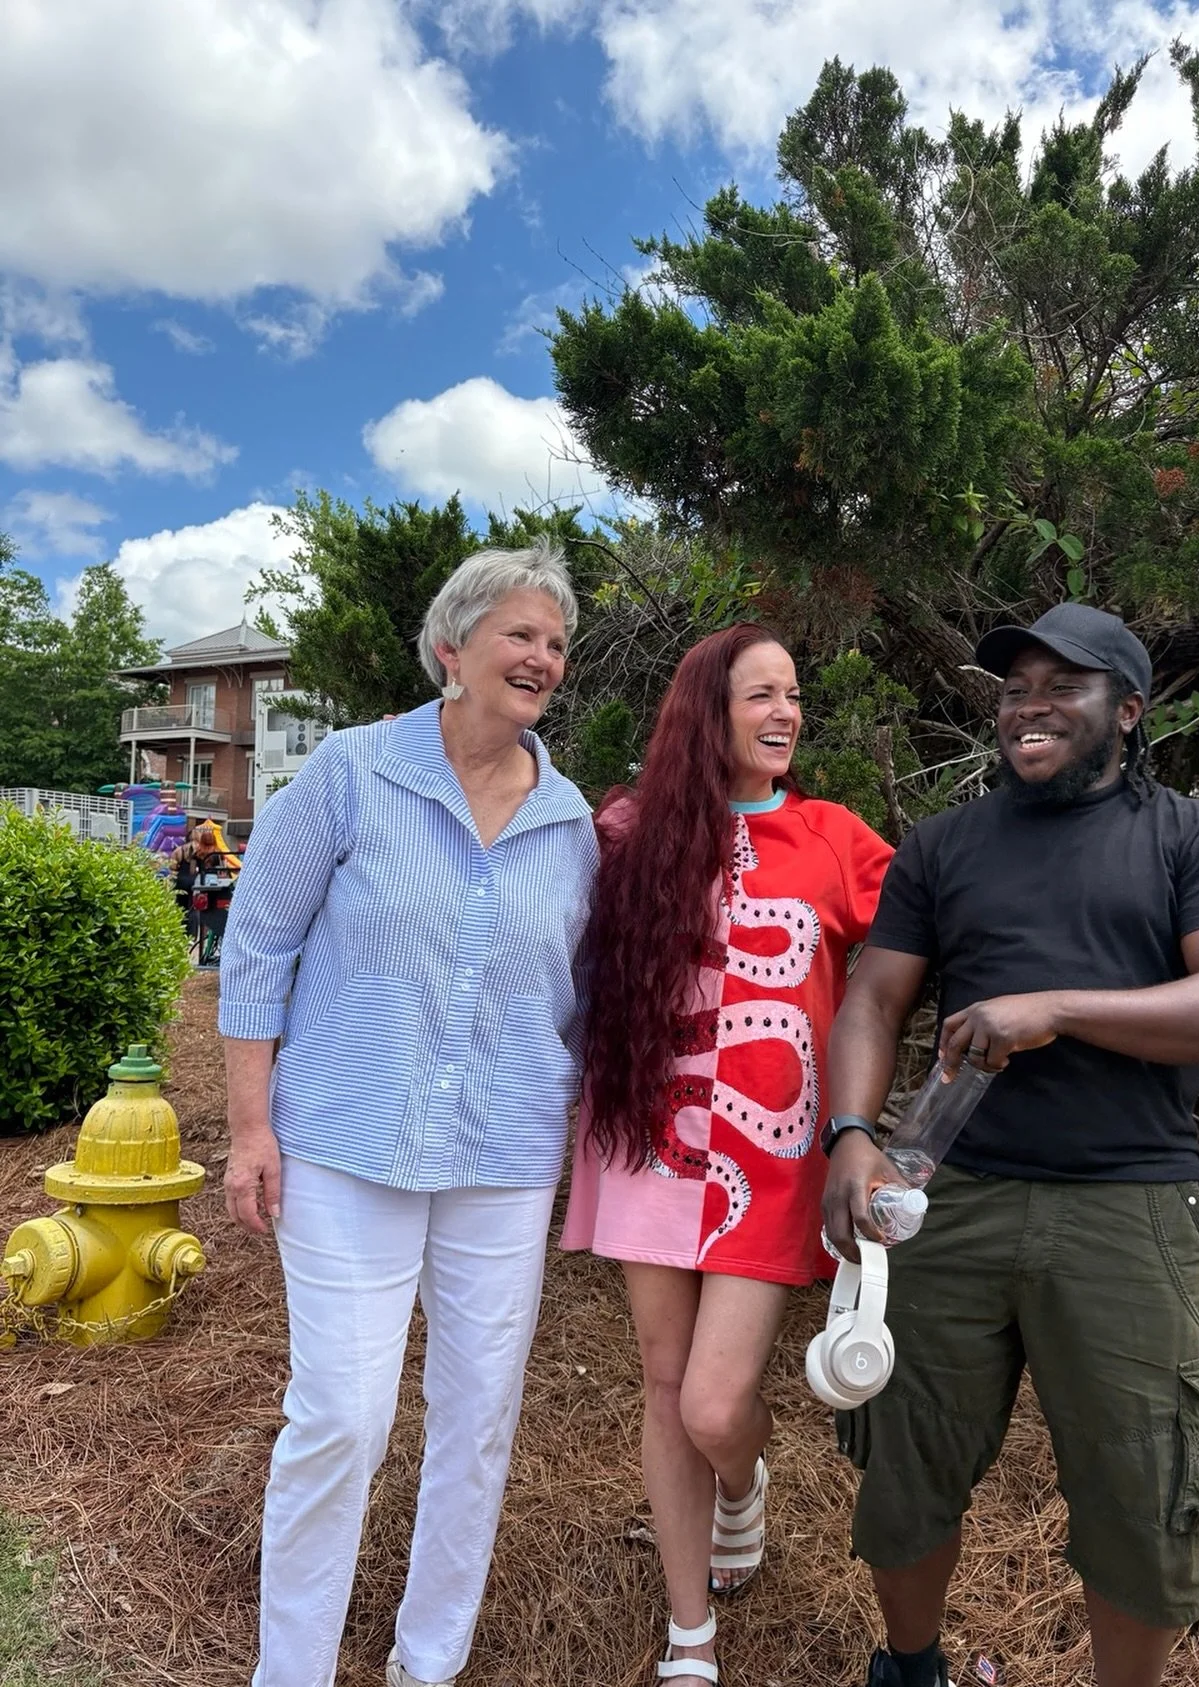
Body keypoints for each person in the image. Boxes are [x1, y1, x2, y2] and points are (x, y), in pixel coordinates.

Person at [821, 603, 1199, 1687]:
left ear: (1126, 710)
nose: (1028, 703)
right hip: (954, 1197)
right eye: (1013, 686)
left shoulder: (1191, 836)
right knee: (905, 1459)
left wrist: (1060, 1008)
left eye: (1060, 684)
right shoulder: (945, 846)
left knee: (1142, 1488)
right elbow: (872, 1001)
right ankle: (912, 1666)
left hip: (1130, 1209)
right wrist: (851, 1136)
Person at [218, 537, 598, 1687]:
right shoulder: (347, 772)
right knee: (341, 1415)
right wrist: (248, 1127)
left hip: (505, 1154)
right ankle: (292, 1672)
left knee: (477, 1424)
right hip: (344, 1142)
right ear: (453, 647)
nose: (542, 657)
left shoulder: (572, 820)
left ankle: (426, 1663)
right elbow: (258, 946)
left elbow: (575, 999)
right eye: (520, 634)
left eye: (557, 642)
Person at [561, 624, 893, 1687]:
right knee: (665, 1387)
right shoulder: (626, 828)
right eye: (761, 695)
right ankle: (689, 1631)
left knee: (713, 1404)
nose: (786, 713)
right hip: (648, 1144)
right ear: (709, 711)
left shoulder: (836, 836)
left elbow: (923, 946)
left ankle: (739, 1484)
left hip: (772, 1159)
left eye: (793, 694)